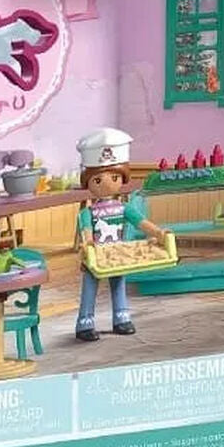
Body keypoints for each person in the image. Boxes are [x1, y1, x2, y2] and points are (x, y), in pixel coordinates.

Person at [75, 127, 167, 341]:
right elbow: (87, 231)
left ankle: (121, 318)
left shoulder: (123, 208)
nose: (107, 183)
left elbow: (141, 223)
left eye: (114, 177)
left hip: (118, 253)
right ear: (88, 181)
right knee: (90, 287)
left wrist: (158, 232)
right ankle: (85, 322)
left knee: (118, 284)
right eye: (98, 180)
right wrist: (87, 244)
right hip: (96, 254)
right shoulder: (88, 212)